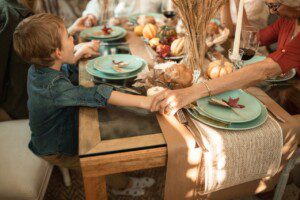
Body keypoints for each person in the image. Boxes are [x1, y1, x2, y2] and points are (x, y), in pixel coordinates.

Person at [13, 13, 156, 196]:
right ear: (57, 53)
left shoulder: (36, 69)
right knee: (101, 161)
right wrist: (144, 102)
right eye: (68, 36)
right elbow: (95, 94)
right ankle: (123, 185)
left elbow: (62, 68)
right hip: (58, 148)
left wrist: (77, 53)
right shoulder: (54, 88)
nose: (73, 38)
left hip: (51, 133)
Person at [150, 0, 300, 115]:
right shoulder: (287, 20)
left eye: (274, 5)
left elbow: (263, 70)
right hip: (282, 91)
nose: (272, 12)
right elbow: (254, 39)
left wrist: (191, 92)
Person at [0, 0, 90, 121]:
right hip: (23, 109)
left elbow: (41, 50)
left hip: (35, 100)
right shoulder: (8, 14)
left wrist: (68, 33)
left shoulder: (21, 11)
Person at [82, 0, 162, 27]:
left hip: (152, 33)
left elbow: (168, 7)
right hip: (123, 36)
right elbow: (97, 3)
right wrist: (91, 16)